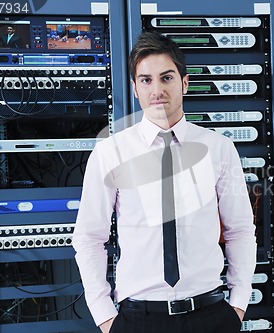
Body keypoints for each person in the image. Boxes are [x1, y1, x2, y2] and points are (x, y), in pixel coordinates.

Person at [72, 31, 257, 333]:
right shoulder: (110, 152)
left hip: (211, 315)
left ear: (184, 83)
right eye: (146, 80)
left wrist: (237, 304)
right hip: (139, 319)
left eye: (166, 78)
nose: (156, 89)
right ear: (134, 88)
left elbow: (240, 230)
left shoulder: (218, 148)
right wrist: (105, 317)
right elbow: (89, 237)